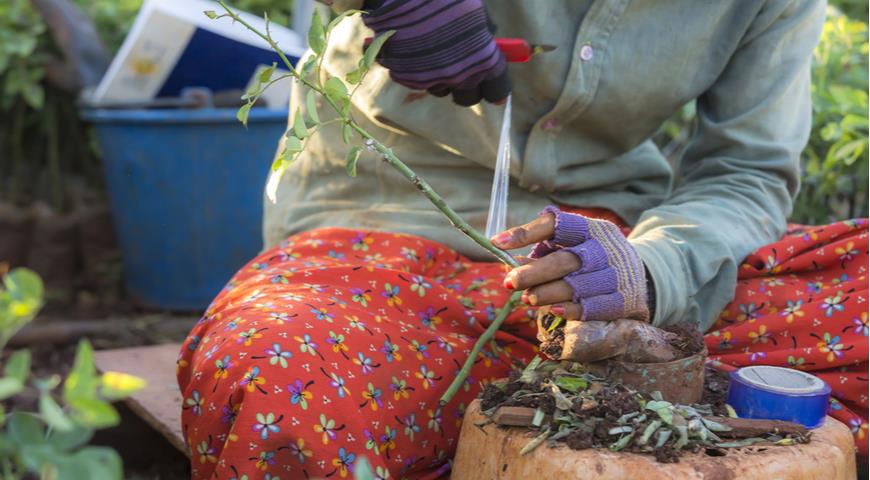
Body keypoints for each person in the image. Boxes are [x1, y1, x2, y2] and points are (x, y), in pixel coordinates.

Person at [177, 1, 868, 478]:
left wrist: (652, 269)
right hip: (385, 248)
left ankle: (444, 415)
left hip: (605, 271)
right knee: (277, 384)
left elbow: (744, 171)